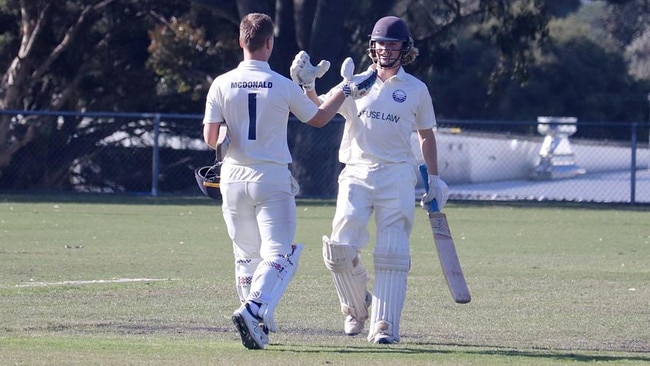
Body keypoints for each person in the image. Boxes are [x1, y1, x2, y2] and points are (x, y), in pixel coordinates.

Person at [202, 13, 377, 350]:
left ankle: (260, 322)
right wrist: (345, 90)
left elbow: (212, 137)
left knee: (245, 255)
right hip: (271, 178)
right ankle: (253, 310)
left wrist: (227, 136)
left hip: (234, 177)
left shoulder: (221, 83)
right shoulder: (282, 85)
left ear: (241, 42)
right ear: (269, 43)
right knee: (280, 254)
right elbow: (321, 118)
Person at [292, 15, 449, 344]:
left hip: (397, 176)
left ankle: (385, 325)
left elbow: (426, 136)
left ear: (405, 49)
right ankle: (356, 307)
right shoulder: (355, 81)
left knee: (392, 253)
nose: (385, 50)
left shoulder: (416, 90)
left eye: (392, 45)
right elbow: (320, 111)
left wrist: (434, 179)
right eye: (380, 44)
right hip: (357, 173)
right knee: (338, 250)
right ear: (372, 47)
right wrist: (308, 87)